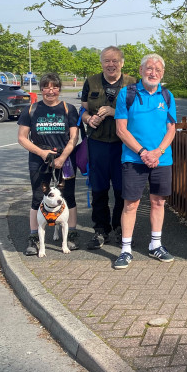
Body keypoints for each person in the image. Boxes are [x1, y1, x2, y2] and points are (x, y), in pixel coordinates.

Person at [113, 53, 177, 270]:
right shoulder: (126, 94)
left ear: (163, 74)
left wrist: (157, 152)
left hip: (162, 159)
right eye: (149, 68)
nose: (153, 73)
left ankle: (155, 244)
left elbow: (171, 129)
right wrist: (142, 152)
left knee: (159, 202)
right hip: (133, 158)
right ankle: (126, 249)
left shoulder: (167, 96)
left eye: (158, 70)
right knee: (131, 204)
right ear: (141, 71)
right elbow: (121, 130)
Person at [80, 46, 137, 250]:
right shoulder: (91, 81)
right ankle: (100, 229)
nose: (111, 64)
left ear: (122, 62)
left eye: (115, 61)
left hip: (124, 145)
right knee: (99, 189)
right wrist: (89, 119)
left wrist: (115, 112)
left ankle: (121, 228)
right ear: (101, 62)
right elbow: (83, 109)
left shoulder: (132, 84)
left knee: (123, 189)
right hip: (98, 143)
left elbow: (138, 114)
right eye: (106, 60)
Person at [18, 72, 80, 255]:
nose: (50, 91)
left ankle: (72, 234)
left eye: (54, 87)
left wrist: (62, 158)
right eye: (46, 87)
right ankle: (34, 237)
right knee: (38, 197)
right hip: (39, 158)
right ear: (41, 89)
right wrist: (42, 153)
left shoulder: (69, 109)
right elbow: (22, 138)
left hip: (65, 157)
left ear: (59, 89)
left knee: (68, 195)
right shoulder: (31, 110)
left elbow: (74, 137)